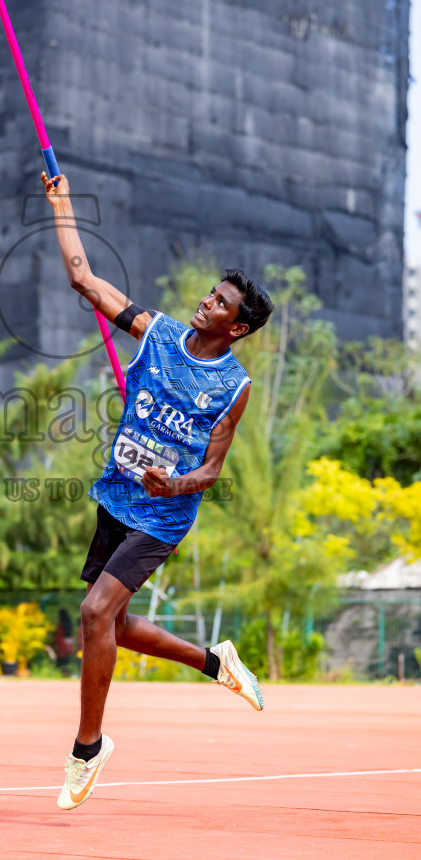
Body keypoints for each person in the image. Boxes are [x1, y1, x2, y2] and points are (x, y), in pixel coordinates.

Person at [41, 171, 275, 812]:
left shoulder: (233, 386)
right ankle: (213, 662)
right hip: (115, 497)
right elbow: (85, 280)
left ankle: (88, 749)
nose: (207, 303)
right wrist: (61, 204)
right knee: (112, 624)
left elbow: (212, 472)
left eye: (221, 303)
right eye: (210, 294)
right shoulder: (160, 333)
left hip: (163, 514)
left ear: (238, 327)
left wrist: (174, 481)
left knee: (94, 615)